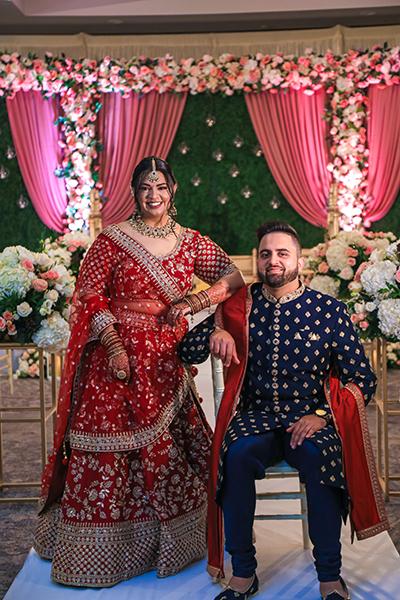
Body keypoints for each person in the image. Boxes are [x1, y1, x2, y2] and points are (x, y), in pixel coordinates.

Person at [33, 156, 245, 587]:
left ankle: (177, 542)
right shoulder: (111, 240)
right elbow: (89, 296)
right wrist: (112, 345)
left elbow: (233, 276)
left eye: (161, 187)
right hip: (115, 362)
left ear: (173, 191)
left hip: (166, 358)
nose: (154, 196)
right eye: (146, 188)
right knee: (112, 447)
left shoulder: (191, 242)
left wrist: (195, 302)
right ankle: (101, 552)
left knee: (169, 447)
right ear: (134, 191)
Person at [179, 220, 389, 600]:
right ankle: (243, 573)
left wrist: (323, 416)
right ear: (257, 261)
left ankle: (329, 577)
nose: (272, 261)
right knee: (236, 455)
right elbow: (187, 351)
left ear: (299, 261)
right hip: (254, 418)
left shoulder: (329, 311)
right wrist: (215, 332)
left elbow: (363, 379)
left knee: (320, 457)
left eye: (281, 253)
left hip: (309, 418)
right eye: (265, 254)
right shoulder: (238, 307)